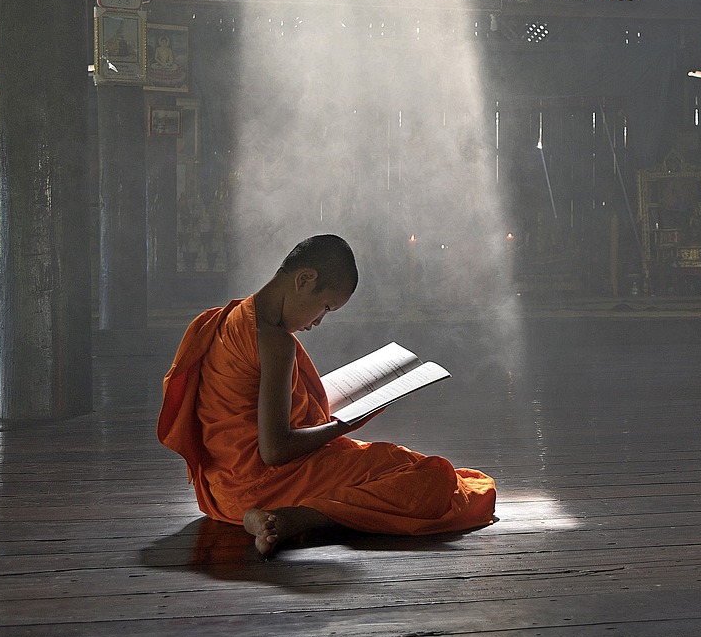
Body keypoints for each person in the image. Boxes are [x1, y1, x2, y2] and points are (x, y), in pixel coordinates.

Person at [158, 234, 496, 556]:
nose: (319, 321)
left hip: (221, 489)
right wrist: (341, 426)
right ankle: (295, 518)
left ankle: (271, 515)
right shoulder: (274, 341)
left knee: (403, 467)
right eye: (325, 307)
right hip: (265, 483)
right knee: (434, 476)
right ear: (304, 279)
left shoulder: (223, 320)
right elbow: (274, 451)